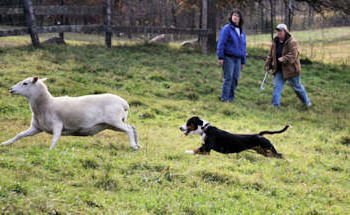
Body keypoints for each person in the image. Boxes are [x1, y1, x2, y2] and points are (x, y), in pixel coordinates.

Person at [265, 24, 311, 108]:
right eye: (278, 31)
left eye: (281, 31)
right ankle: (275, 106)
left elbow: (294, 55)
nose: (279, 33)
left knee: (297, 88)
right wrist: (268, 64)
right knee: (276, 87)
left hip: (291, 70)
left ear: (285, 31)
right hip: (279, 69)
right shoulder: (275, 42)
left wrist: (284, 58)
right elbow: (270, 55)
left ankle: (307, 103)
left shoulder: (292, 42)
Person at [217, 9, 247, 103]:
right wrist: (220, 57)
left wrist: (243, 61)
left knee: (235, 79)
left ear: (240, 19)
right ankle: (224, 99)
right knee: (228, 78)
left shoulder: (242, 31)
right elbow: (221, 43)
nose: (235, 17)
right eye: (234, 15)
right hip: (228, 57)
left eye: (237, 16)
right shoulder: (227, 29)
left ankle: (231, 98)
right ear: (231, 17)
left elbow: (243, 47)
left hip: (238, 59)